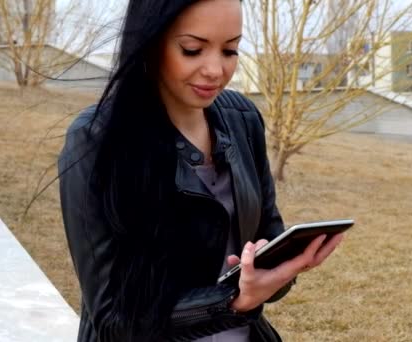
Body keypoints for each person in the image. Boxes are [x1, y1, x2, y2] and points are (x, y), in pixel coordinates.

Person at [58, 0, 344, 341]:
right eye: (192, 50)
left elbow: (266, 233)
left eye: (230, 50)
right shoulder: (96, 139)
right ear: (150, 43)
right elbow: (111, 316)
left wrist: (284, 267)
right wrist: (232, 301)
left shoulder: (242, 118)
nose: (215, 70)